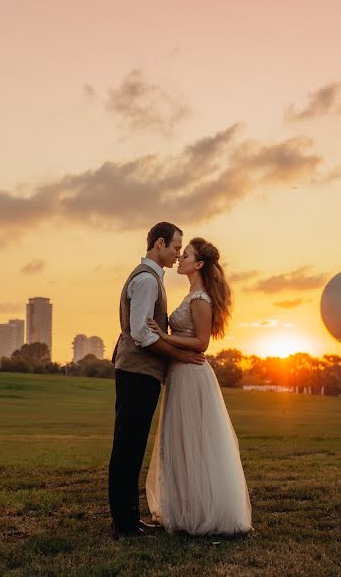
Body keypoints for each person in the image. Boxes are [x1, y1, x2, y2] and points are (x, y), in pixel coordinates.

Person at [144, 236, 252, 536]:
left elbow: (202, 343)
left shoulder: (201, 299)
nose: (180, 258)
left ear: (199, 264)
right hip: (180, 373)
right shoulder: (191, 294)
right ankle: (184, 509)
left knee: (194, 442)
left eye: (186, 254)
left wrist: (163, 336)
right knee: (177, 442)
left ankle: (205, 512)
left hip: (192, 374)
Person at [108, 222, 206, 539]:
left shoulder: (152, 279)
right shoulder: (147, 280)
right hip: (137, 373)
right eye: (177, 247)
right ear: (160, 243)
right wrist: (177, 354)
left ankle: (129, 519)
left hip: (141, 373)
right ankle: (124, 524)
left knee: (133, 447)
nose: (179, 254)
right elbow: (140, 333)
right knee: (128, 447)